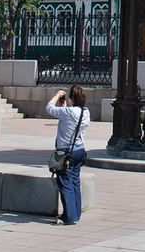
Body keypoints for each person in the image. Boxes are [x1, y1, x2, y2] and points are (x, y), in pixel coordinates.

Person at [46, 86, 90, 225]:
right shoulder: (86, 111)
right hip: (80, 150)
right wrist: (64, 107)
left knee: (65, 182)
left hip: (66, 152)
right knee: (75, 181)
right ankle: (75, 213)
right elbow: (69, 119)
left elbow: (49, 107)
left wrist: (57, 94)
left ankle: (69, 216)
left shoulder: (69, 112)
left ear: (72, 98)